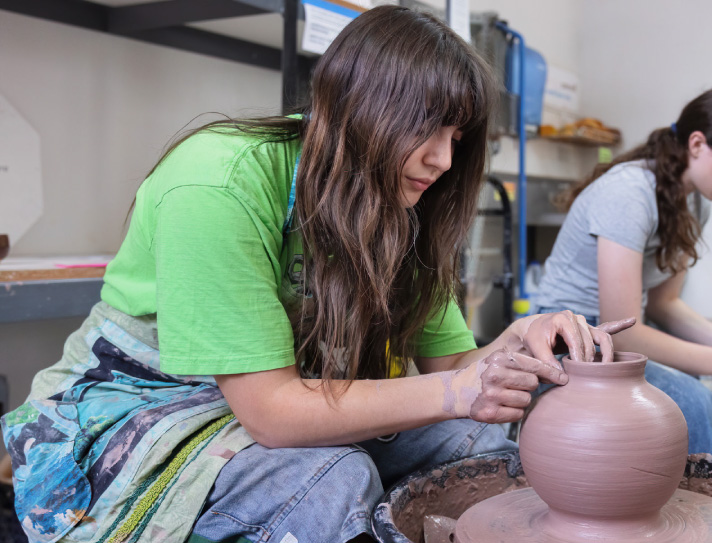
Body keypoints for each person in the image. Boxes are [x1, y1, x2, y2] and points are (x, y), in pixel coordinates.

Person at [1, 7, 634, 543]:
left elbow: (455, 376)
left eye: (456, 136)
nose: (443, 160)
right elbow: (274, 414)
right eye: (425, 129)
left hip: (287, 401)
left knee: (493, 447)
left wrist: (521, 342)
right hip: (147, 408)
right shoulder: (219, 181)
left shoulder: (403, 203)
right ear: (361, 110)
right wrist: (461, 393)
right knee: (330, 480)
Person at [533, 85, 712, 456]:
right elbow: (622, 332)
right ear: (696, 144)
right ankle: (700, 508)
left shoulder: (694, 203)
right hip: (565, 339)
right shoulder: (629, 194)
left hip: (618, 331)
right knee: (691, 402)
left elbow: (664, 304)